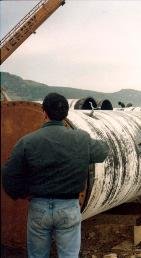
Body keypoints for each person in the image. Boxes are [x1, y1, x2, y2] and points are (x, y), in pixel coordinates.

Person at [1, 92, 109, 258]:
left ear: (44, 112)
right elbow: (102, 152)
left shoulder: (28, 141)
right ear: (66, 113)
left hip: (39, 207)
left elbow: (9, 175)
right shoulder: (81, 139)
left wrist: (23, 193)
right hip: (69, 208)